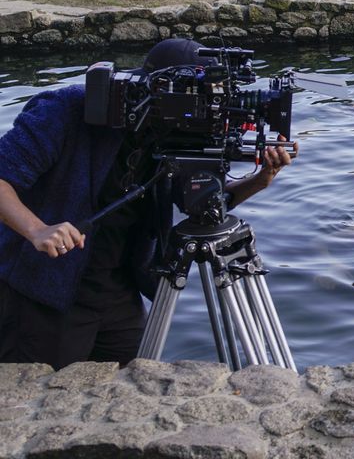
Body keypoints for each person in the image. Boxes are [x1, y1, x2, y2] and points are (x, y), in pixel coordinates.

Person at [0, 38, 296, 369]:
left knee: (131, 388)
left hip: (120, 290)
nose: (198, 112)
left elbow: (200, 199)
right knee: (44, 402)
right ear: (158, 88)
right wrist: (37, 229)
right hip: (48, 291)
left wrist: (261, 180)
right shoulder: (66, 110)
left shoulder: (178, 128)